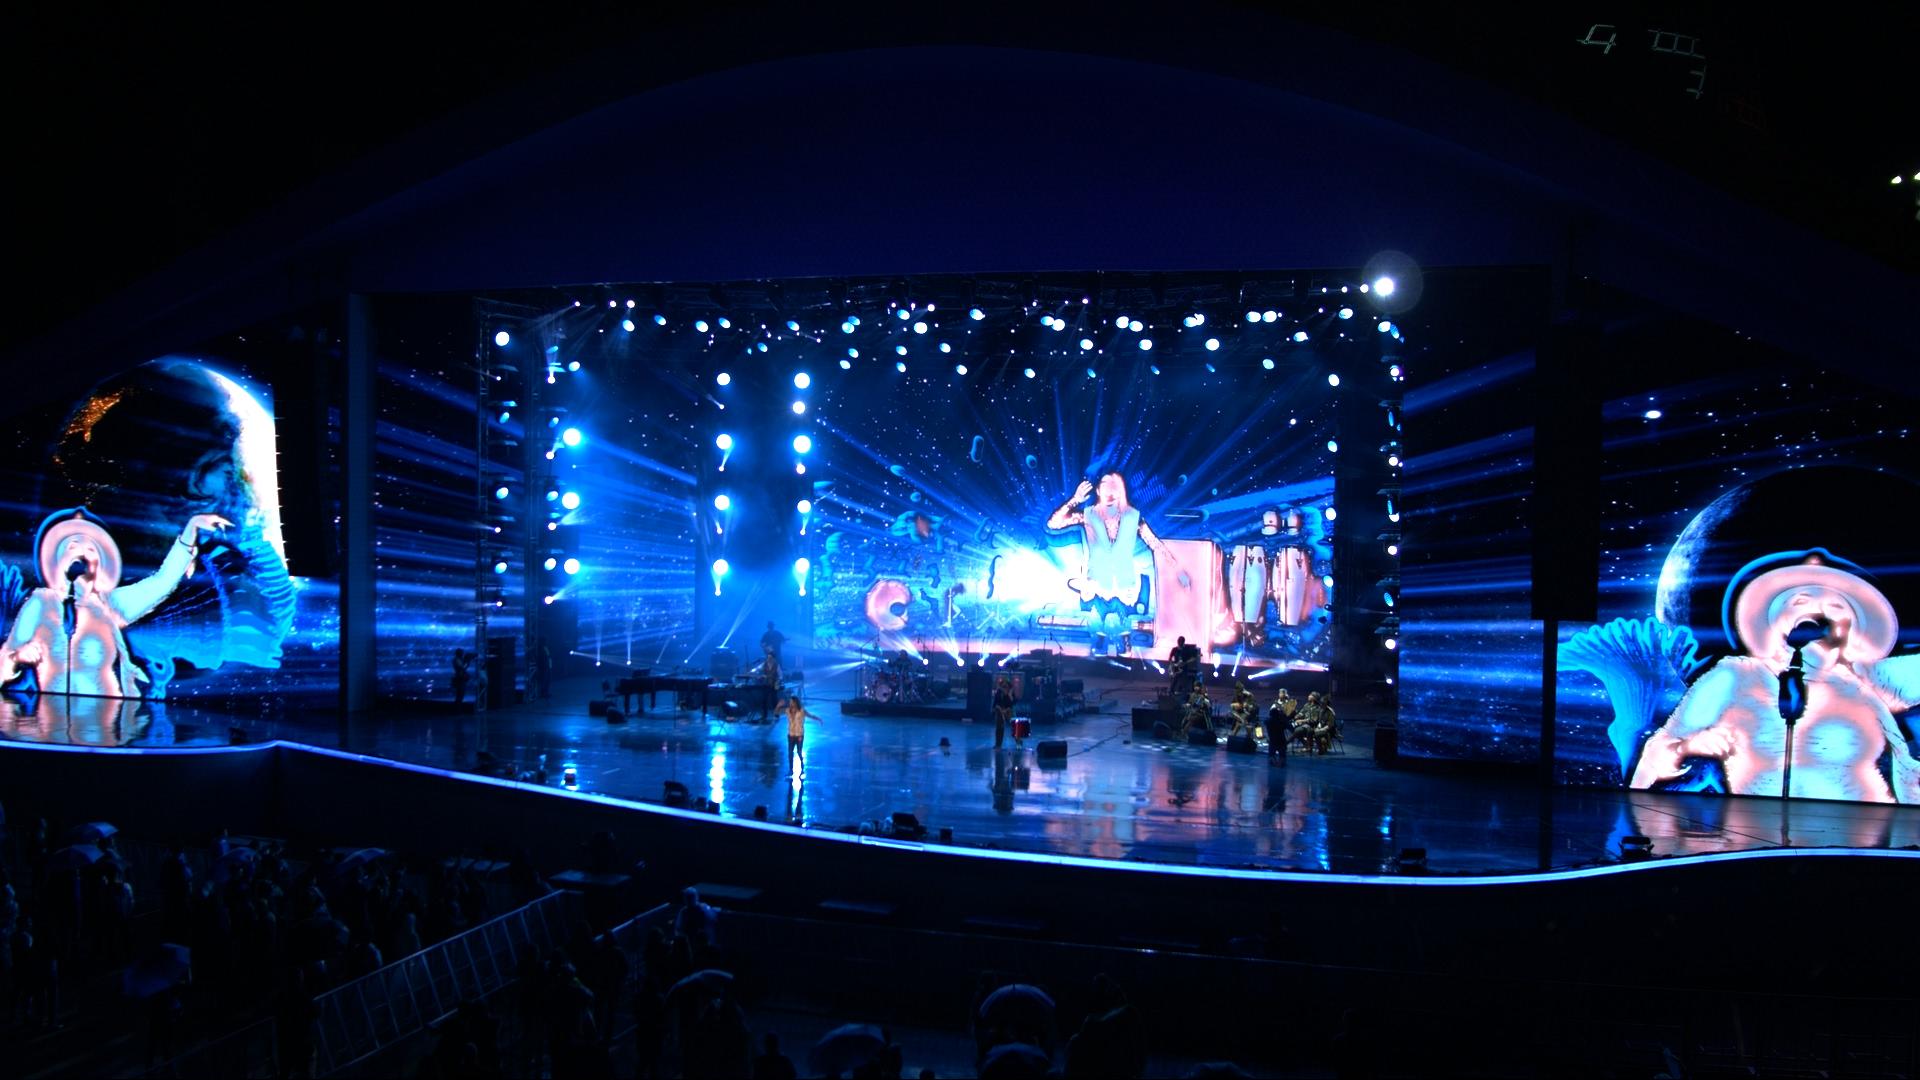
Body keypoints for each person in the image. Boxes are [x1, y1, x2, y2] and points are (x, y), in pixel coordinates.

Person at [1626, 552, 1920, 800]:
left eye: (1835, 606)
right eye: (1800, 602)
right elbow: (1656, 755)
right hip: (1761, 838)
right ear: (1774, 617)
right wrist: (1687, 747)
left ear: (1850, 625)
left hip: (1860, 844)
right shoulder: (1734, 676)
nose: (1817, 612)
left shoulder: (1869, 680)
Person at [1, 508, 231, 697]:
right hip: (52, 726)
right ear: (58, 558)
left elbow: (162, 582)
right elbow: (5, 660)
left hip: (103, 726)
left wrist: (191, 530)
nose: (80, 552)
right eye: (72, 546)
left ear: (98, 563)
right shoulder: (40, 602)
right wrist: (16, 657)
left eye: (90, 548)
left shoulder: (109, 605)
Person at [1048, 472, 1188, 657]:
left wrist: (1177, 569)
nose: (1111, 489)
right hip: (1096, 587)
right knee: (1098, 641)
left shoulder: (1133, 518)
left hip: (1125, 589)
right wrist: (1074, 500)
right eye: (1106, 484)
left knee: (1124, 644)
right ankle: (1099, 649)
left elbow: (1155, 544)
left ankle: (1123, 650)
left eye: (1115, 485)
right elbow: (1054, 524)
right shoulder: (1088, 515)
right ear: (1098, 490)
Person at [781, 696, 821, 777]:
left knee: (799, 752)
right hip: (791, 735)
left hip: (799, 735)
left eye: (791, 702)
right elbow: (776, 713)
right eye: (790, 702)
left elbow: (810, 716)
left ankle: (802, 768)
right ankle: (791, 770)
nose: (790, 703)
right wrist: (778, 706)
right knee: (790, 753)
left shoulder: (801, 711)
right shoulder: (787, 711)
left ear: (795, 702)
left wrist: (818, 719)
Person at [993, 676, 1016, 749]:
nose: (1004, 688)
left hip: (1009, 710)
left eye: (1005, 686)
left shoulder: (1010, 693)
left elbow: (1012, 703)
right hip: (1000, 710)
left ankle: (1019, 743)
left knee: (1015, 727)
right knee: (999, 727)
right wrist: (996, 708)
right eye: (1003, 686)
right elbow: (996, 702)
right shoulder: (998, 693)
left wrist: (1009, 695)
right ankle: (998, 744)